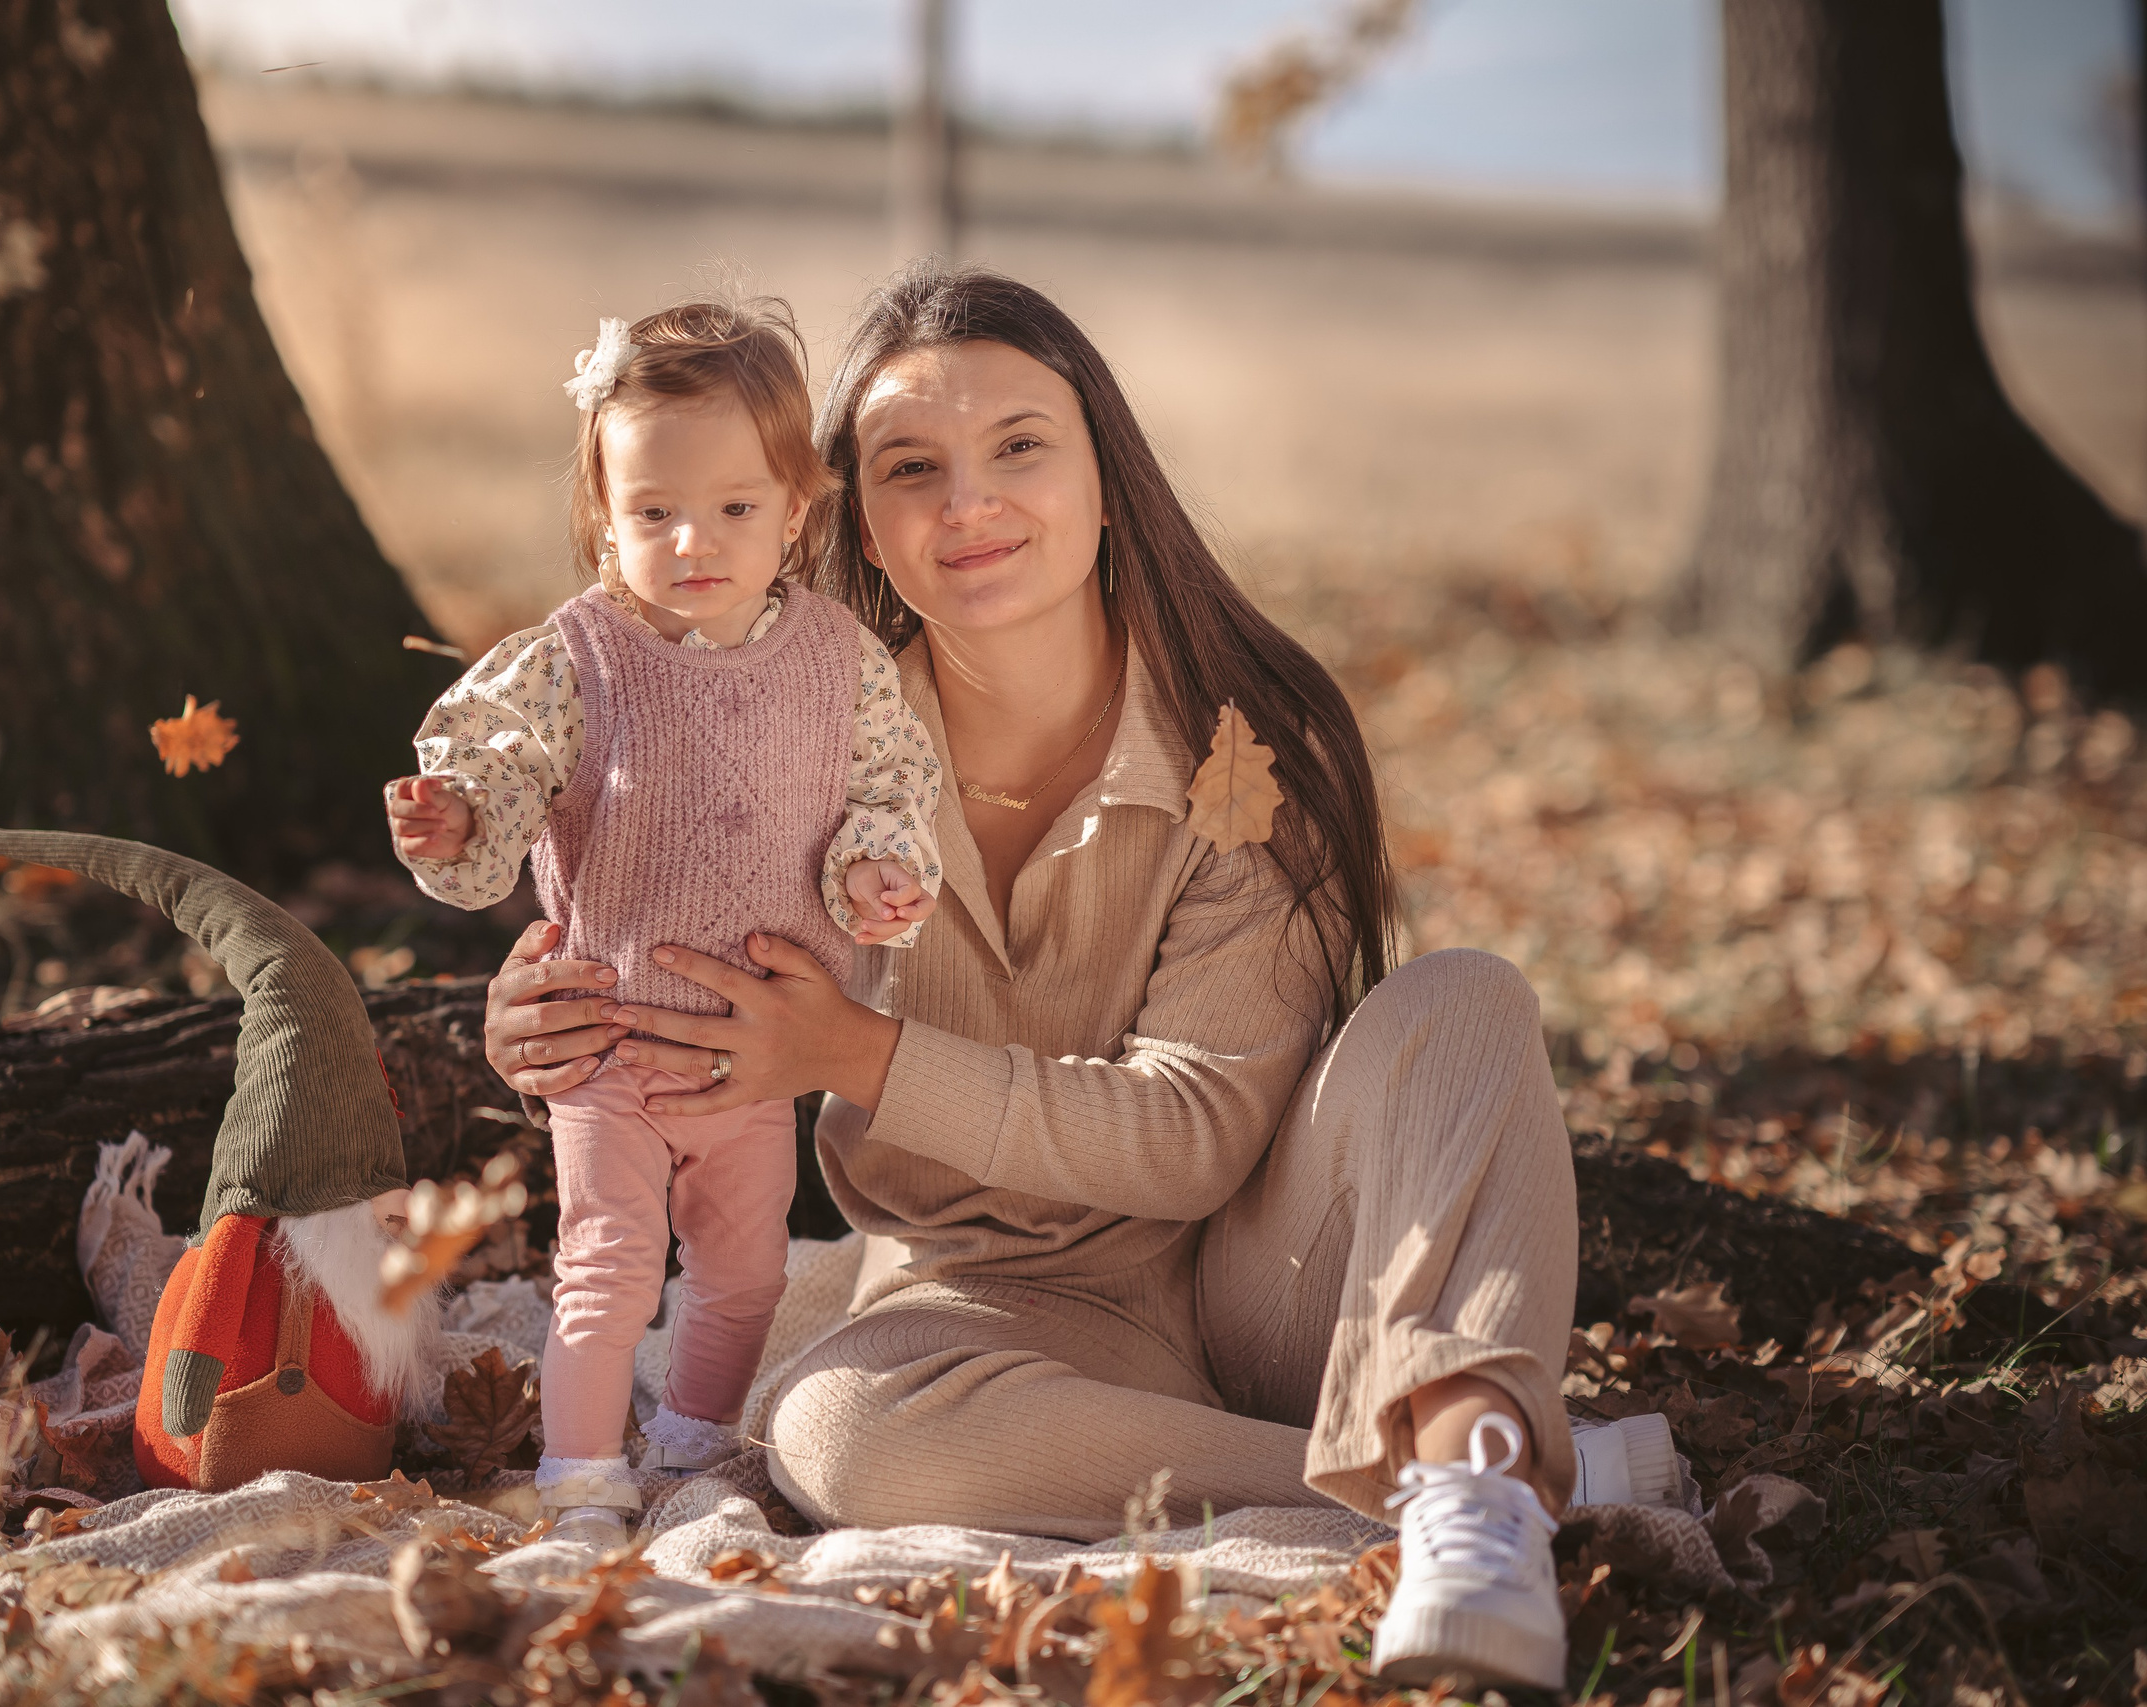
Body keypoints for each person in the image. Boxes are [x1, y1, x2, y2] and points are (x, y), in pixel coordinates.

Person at [469, 265, 1669, 1688]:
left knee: (1465, 998)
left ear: (1109, 472)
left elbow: (1196, 1136)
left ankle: (1475, 1511)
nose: (969, 503)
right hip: (983, 1297)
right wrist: (554, 1012)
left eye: (1020, 446)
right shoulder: (787, 735)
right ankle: (1501, 1466)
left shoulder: (1247, 745)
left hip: (1257, 1272)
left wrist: (855, 1051)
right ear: (852, 518)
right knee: (838, 1433)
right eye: (914, 468)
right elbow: (658, 934)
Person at [385, 300, 946, 1552]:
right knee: (607, 1267)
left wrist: (879, 878)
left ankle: (691, 1437)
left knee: (745, 1274)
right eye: (652, 513)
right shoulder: (576, 659)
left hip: (756, 1055)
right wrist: (454, 818)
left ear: (796, 510)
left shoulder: (839, 660)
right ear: (605, 517)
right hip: (608, 1040)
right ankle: (581, 1474)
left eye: (736, 509)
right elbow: (497, 775)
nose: (693, 540)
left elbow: (887, 793)